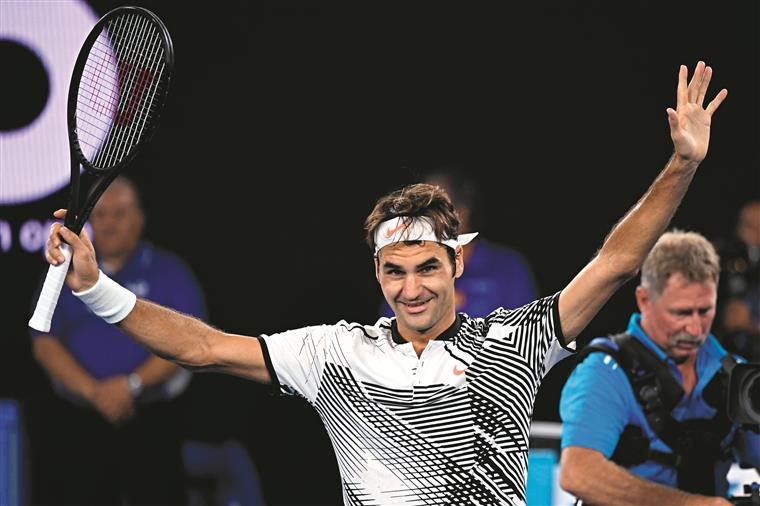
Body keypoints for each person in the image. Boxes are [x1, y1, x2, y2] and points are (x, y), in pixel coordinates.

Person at [42, 62, 726, 505]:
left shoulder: (515, 342)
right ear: (377, 274)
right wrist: (96, 285)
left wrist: (682, 165)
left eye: (428, 266)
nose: (412, 287)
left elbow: (613, 261)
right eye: (395, 271)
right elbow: (201, 346)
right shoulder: (335, 353)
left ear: (457, 263)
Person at [30, 177, 206, 505]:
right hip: (79, 421)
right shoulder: (62, 271)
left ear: (139, 219)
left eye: (120, 214)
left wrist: (131, 385)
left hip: (152, 420)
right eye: (101, 215)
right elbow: (44, 341)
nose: (109, 224)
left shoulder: (169, 272)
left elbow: (191, 342)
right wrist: (94, 392)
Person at [558, 231, 760, 506]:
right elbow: (578, 474)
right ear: (644, 300)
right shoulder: (605, 371)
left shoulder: (735, 373)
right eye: (681, 312)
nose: (694, 328)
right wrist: (688, 505)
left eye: (705, 311)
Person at [380, 167, 538, 317]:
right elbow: (390, 332)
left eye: (433, 211)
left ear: (462, 214)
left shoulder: (508, 267)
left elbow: (528, 333)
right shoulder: (404, 265)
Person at [716, 200, 760, 361]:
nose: (755, 235)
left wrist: (751, 326)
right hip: (725, 359)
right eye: (749, 226)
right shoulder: (723, 263)